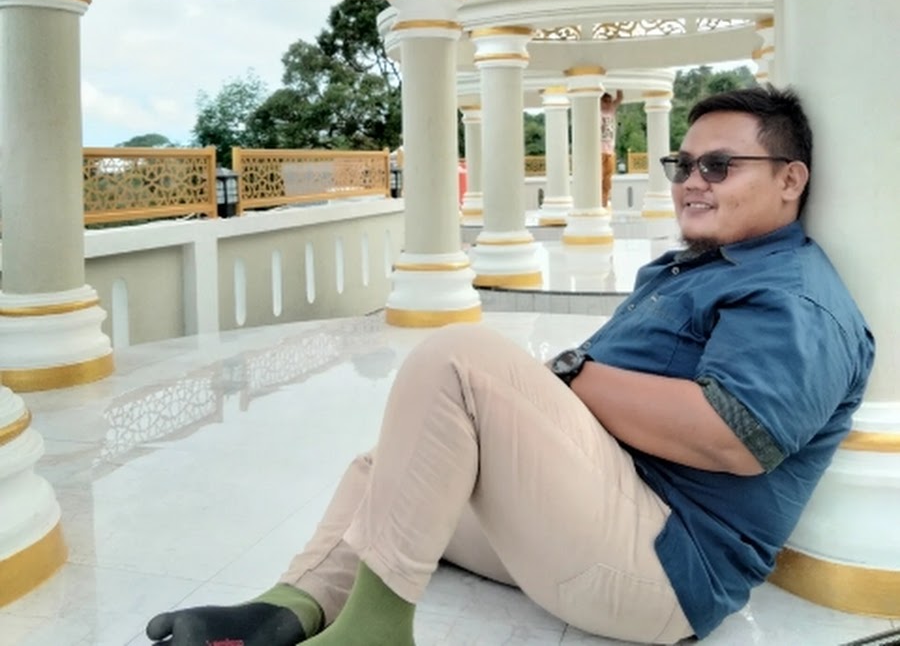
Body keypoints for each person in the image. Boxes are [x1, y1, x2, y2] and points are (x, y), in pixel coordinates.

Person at [145, 86, 874, 645]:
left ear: (790, 180)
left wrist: (571, 371)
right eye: (684, 165)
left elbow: (733, 439)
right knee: (390, 464)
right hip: (595, 521)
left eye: (718, 166)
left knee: (460, 357)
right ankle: (288, 609)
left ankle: (373, 632)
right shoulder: (701, 268)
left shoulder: (792, 295)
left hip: (663, 565)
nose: (691, 181)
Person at [601, 89, 624, 208]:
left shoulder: (611, 110)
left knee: (607, 180)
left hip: (609, 151)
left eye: (609, 101)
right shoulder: (596, 111)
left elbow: (619, 98)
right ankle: (598, 203)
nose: (608, 103)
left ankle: (604, 204)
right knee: (598, 178)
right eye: (605, 101)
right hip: (599, 151)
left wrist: (619, 86)